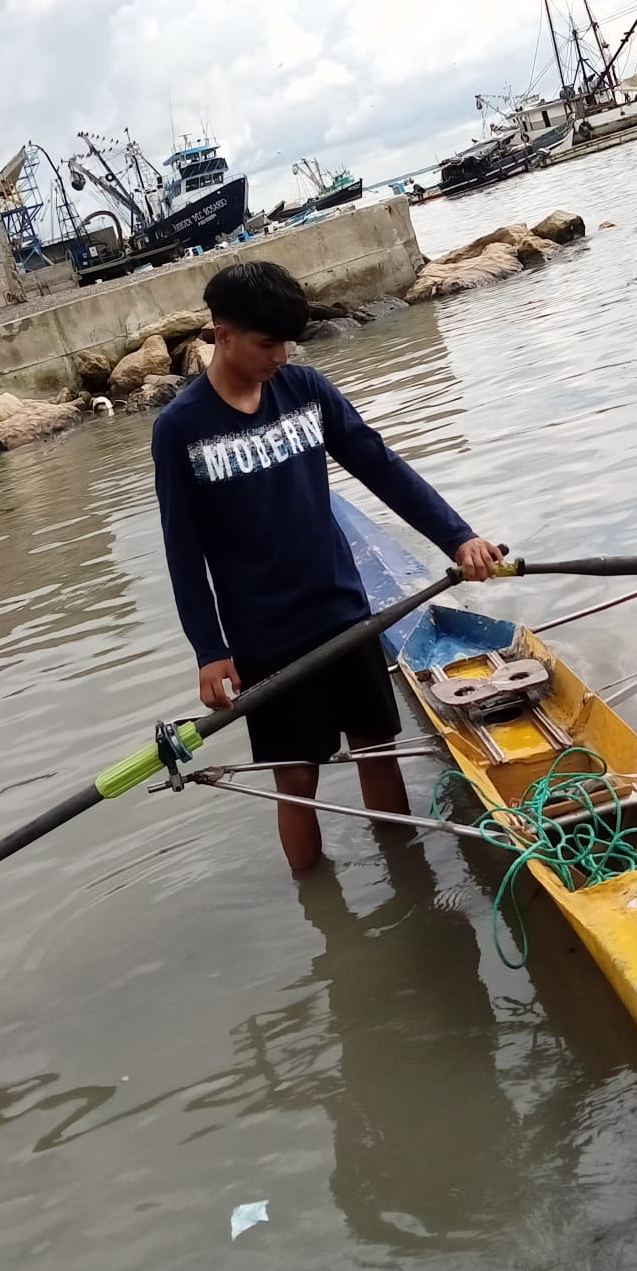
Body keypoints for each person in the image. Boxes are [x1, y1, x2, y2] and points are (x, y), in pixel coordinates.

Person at [151, 262, 502, 872]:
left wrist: (458, 537)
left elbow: (380, 466)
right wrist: (209, 650)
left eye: (288, 343)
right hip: (265, 636)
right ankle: (317, 900)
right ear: (222, 334)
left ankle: (408, 878)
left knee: (377, 750)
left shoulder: (307, 390)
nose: (280, 357)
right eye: (267, 343)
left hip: (343, 610)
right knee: (295, 779)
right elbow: (183, 550)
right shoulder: (181, 428)